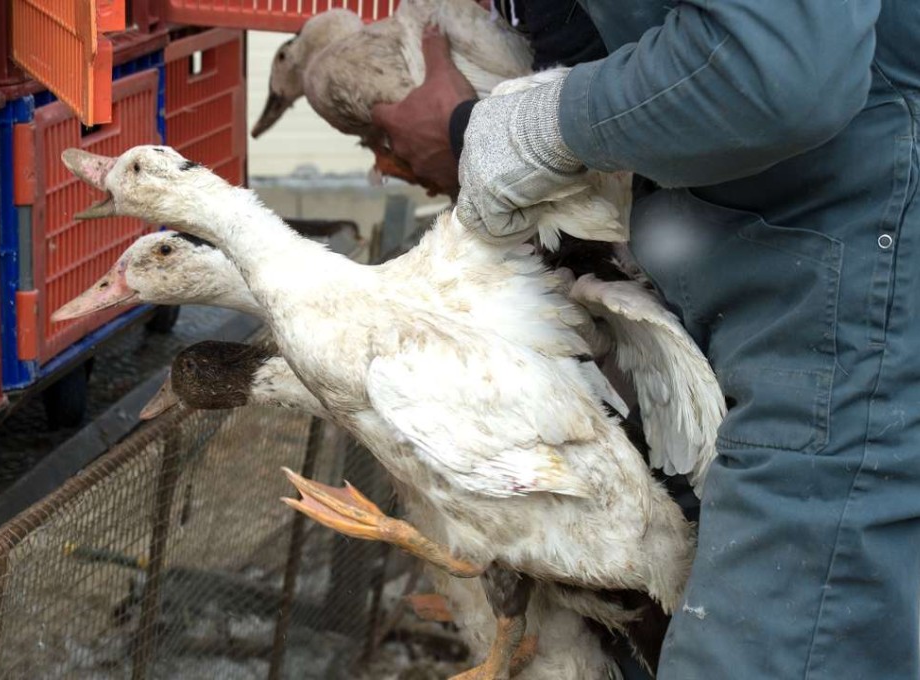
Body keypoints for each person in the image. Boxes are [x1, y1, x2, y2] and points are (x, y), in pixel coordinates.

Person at [372, 1, 920, 679]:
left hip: (840, 269)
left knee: (770, 642)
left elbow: (778, 62)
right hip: (705, 267)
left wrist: (522, 128)